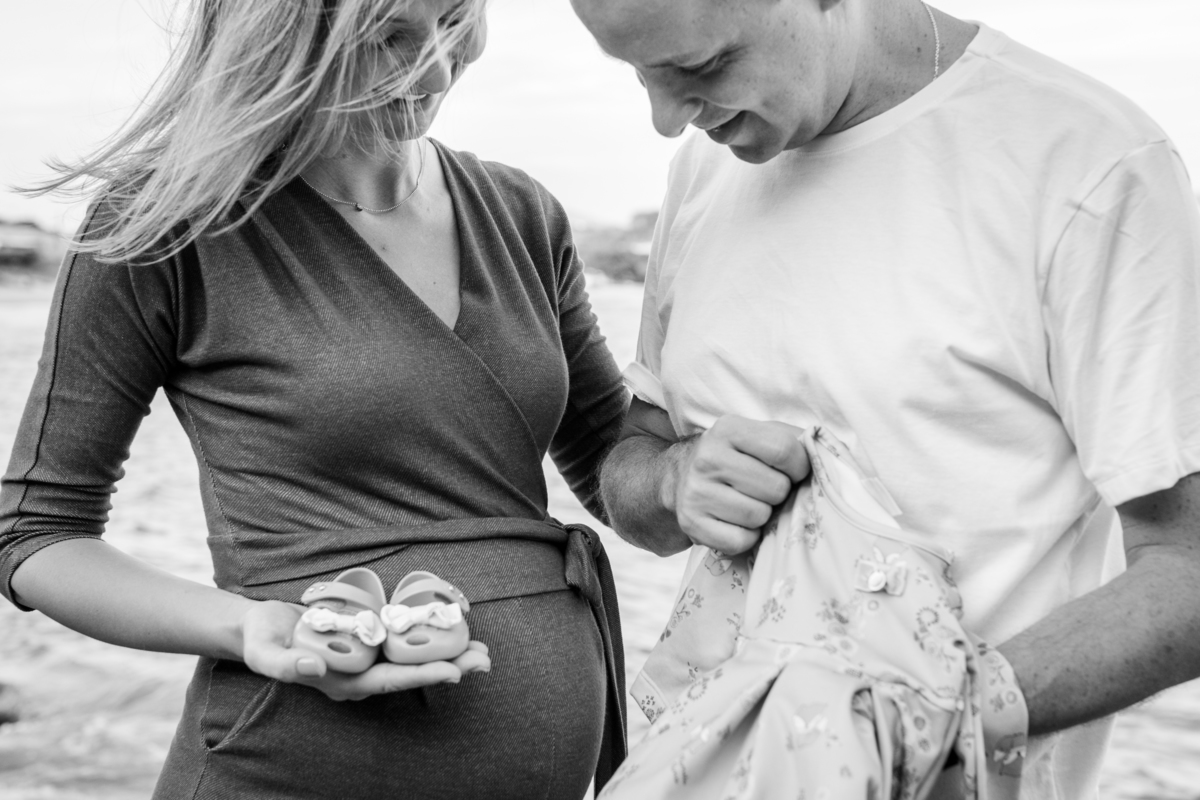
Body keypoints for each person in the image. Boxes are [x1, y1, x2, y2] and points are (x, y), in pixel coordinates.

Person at [570, 0, 1200, 796]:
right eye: (640, 74)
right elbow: (632, 469)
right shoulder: (703, 170)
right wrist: (671, 480)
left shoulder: (1090, 163)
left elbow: (1187, 569)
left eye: (702, 69)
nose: (666, 120)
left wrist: (931, 711)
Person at [0, 1, 629, 798]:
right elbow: (33, 535)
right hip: (285, 768)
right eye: (387, 37)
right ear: (280, 34)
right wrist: (251, 628)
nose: (436, 69)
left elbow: (621, 468)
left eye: (452, 20)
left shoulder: (523, 213)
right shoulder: (166, 225)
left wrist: (706, 461)